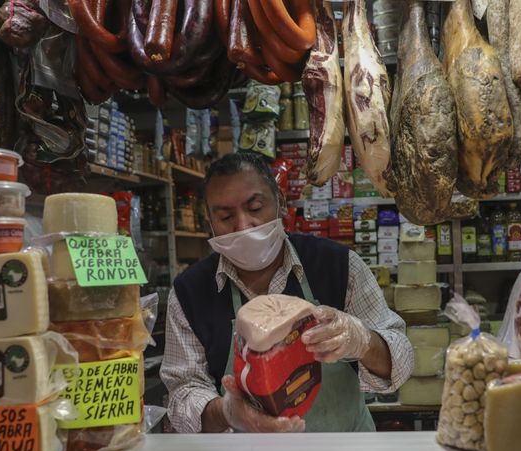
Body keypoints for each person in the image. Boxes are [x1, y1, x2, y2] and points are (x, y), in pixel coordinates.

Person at [161, 152, 413, 433]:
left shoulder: (339, 265)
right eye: (225, 216)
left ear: (280, 202)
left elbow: (400, 361)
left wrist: (362, 340)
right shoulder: (189, 293)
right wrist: (226, 412)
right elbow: (183, 390)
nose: (244, 225)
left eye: (255, 208)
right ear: (209, 221)